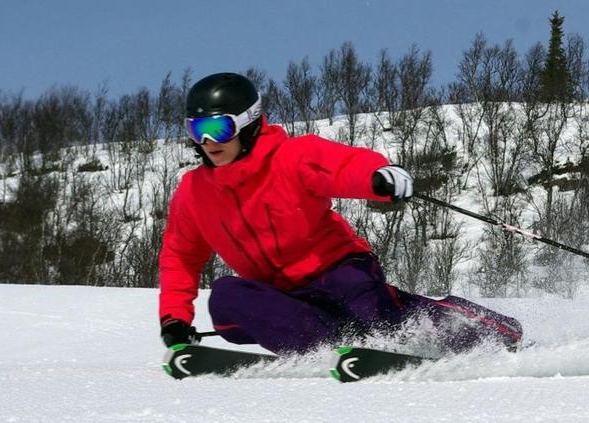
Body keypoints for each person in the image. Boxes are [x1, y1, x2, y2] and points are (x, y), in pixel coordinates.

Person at [158, 72, 521, 354]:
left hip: (339, 270)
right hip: (283, 297)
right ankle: (329, 347)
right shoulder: (193, 193)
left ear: (249, 124)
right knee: (225, 299)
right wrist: (174, 318)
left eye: (218, 128)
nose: (208, 142)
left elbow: (341, 166)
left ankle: (482, 330)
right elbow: (181, 256)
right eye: (196, 130)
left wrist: (376, 177)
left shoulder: (290, 158)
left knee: (375, 316)